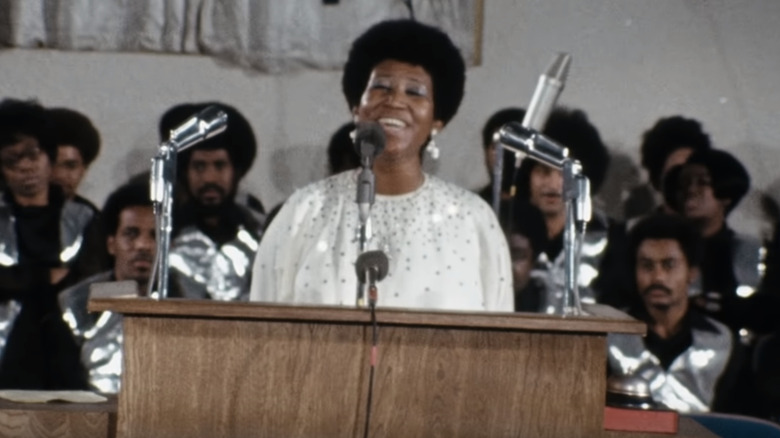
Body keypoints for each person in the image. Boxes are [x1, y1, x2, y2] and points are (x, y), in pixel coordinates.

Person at [250, 20, 513, 311]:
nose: (395, 100)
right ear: (356, 108)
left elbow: (498, 334)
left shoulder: (472, 219)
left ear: (437, 120)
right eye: (381, 87)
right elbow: (262, 323)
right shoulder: (303, 211)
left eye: (415, 92)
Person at [0, 98, 107, 389]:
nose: (25, 168)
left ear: (48, 156)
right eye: (12, 161)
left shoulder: (84, 218)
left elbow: (95, 282)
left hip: (69, 353)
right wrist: (44, 277)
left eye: (32, 155)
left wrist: (16, 281)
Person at [607, 213, 743, 413]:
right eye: (647, 266)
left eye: (669, 265)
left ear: (692, 272)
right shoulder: (611, 336)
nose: (658, 277)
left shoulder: (722, 340)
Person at [511, 107, 626, 312]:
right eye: (543, 171)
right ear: (527, 175)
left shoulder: (608, 237)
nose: (554, 184)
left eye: (565, 173)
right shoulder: (509, 233)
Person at [663, 148, 777, 345]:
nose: (691, 190)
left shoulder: (750, 250)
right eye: (684, 183)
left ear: (726, 195)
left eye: (703, 182)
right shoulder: (659, 251)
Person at [159, 102, 266, 301]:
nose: (209, 178)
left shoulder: (261, 234)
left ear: (236, 171)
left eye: (219, 166)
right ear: (184, 172)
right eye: (199, 166)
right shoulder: (161, 233)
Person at [59, 181, 155, 394]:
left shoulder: (185, 302)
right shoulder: (76, 303)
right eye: (131, 233)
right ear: (111, 243)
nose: (143, 245)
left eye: (155, 236)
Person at [625, 116, 712, 220]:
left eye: (699, 177)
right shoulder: (637, 233)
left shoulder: (724, 234)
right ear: (658, 182)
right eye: (677, 176)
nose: (690, 188)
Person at [48, 107, 101, 209]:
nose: (59, 175)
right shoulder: (8, 219)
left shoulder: (96, 222)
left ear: (84, 170)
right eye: (50, 163)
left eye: (70, 166)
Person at [501, 199, 548, 312]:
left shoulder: (544, 308)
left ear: (534, 262)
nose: (505, 266)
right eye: (498, 254)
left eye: (516, 255)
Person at [477, 107, 526, 205]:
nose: (506, 156)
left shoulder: (547, 210)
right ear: (486, 151)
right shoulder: (475, 206)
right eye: (497, 147)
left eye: (513, 148)